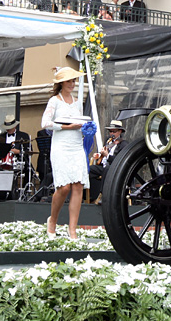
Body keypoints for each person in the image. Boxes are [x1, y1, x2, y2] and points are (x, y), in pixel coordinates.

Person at [42, 66, 91, 239]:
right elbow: (45, 123)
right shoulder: (54, 101)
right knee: (63, 187)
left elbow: (80, 122)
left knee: (78, 186)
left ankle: (72, 229)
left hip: (76, 145)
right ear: (62, 82)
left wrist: (86, 128)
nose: (72, 83)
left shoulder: (78, 102)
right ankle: (52, 221)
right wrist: (66, 126)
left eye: (73, 80)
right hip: (61, 146)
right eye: (69, 80)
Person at [88, 119, 126, 203]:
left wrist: (107, 155)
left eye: (114, 131)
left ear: (120, 131)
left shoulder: (123, 144)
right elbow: (103, 154)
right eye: (110, 131)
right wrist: (98, 155)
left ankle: (103, 195)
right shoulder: (108, 141)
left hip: (114, 169)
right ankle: (90, 196)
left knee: (107, 168)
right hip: (104, 166)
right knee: (89, 169)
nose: (112, 133)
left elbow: (119, 160)